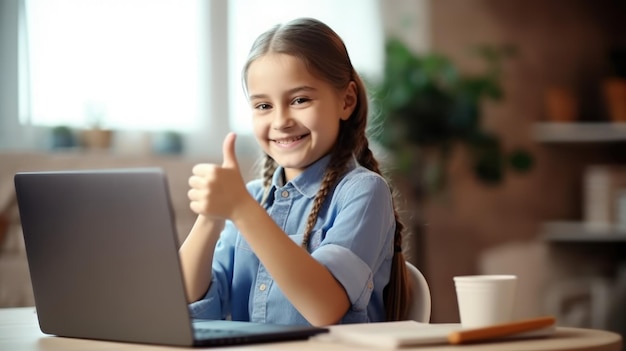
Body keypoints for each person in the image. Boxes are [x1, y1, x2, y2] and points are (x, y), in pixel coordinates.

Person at [179, 17, 410, 327]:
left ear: (347, 100)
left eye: (300, 100)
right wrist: (210, 217)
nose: (280, 121)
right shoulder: (252, 197)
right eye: (263, 106)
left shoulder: (363, 191)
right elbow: (186, 303)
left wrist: (242, 210)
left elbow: (324, 307)